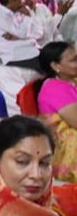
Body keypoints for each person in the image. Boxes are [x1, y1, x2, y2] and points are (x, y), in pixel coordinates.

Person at [37, 42, 77, 182]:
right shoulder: (54, 89)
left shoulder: (71, 81)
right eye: (74, 60)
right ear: (56, 66)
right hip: (65, 145)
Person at [0, 0, 45, 72]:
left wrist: (30, 14)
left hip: (32, 51)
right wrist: (27, 19)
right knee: (52, 67)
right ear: (11, 0)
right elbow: (22, 33)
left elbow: (39, 33)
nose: (24, 1)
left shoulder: (18, 11)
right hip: (17, 57)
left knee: (58, 58)